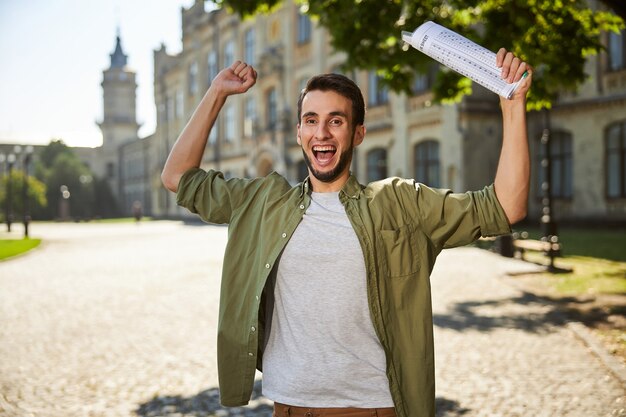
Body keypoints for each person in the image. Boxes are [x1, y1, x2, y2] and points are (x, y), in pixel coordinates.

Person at [162, 49, 532, 417]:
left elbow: (503, 207)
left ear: (358, 134)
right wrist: (216, 94)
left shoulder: (398, 203)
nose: (321, 133)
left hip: (369, 409)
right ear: (299, 132)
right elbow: (177, 178)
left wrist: (513, 107)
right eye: (311, 120)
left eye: (335, 121)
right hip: (288, 408)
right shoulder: (262, 202)